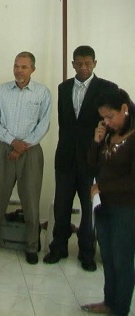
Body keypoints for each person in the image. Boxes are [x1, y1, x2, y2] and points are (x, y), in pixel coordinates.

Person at [44, 46, 118, 271]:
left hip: (92, 159)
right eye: (79, 63)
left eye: (87, 63)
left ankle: (87, 252)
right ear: (73, 64)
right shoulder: (63, 88)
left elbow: (112, 123)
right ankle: (58, 247)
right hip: (66, 157)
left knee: (89, 208)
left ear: (95, 63)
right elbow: (65, 124)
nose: (83, 67)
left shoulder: (107, 89)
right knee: (62, 206)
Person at [0, 52, 51, 264]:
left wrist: (22, 146)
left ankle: (31, 245)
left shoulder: (42, 93)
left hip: (31, 151)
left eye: (24, 67)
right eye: (16, 66)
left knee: (30, 199)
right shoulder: (2, 91)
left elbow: (44, 124)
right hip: (5, 150)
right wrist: (13, 142)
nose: (19, 70)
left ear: (32, 70)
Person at [82, 89, 134, 316]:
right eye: (103, 118)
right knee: (108, 257)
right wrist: (96, 141)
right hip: (103, 205)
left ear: (124, 108)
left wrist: (103, 188)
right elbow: (92, 164)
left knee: (122, 260)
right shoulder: (109, 134)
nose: (107, 122)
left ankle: (120, 309)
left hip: (126, 208)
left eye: (110, 117)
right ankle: (109, 302)